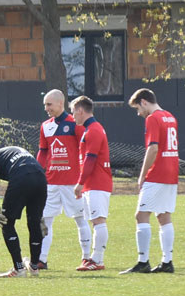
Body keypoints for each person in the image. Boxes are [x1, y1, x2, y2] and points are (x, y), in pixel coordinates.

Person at [122, 88, 179, 274]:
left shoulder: (153, 118)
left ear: (144, 102)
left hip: (158, 173)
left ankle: (143, 261)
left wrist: (142, 174)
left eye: (138, 108)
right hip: (172, 173)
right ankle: (167, 262)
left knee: (141, 215)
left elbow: (153, 148)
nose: (139, 113)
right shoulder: (170, 117)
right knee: (164, 216)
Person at [36, 89, 92, 270]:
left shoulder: (75, 124)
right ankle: (41, 260)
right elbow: (43, 152)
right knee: (45, 220)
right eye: (45, 104)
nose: (46, 108)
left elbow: (85, 151)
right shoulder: (45, 126)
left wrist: (82, 178)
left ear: (61, 103)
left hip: (71, 183)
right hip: (51, 182)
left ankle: (86, 257)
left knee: (80, 219)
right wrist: (37, 172)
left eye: (49, 104)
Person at [0, 147, 47, 278]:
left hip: (21, 176)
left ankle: (19, 268)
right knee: (34, 222)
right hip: (40, 176)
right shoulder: (8, 153)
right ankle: (33, 266)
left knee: (6, 222)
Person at [71, 95, 112, 272]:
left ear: (80, 111)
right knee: (95, 221)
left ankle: (97, 259)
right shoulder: (90, 129)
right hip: (92, 184)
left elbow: (90, 159)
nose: (72, 116)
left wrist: (80, 183)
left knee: (99, 221)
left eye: (73, 112)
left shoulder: (94, 130)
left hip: (97, 182)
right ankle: (93, 259)